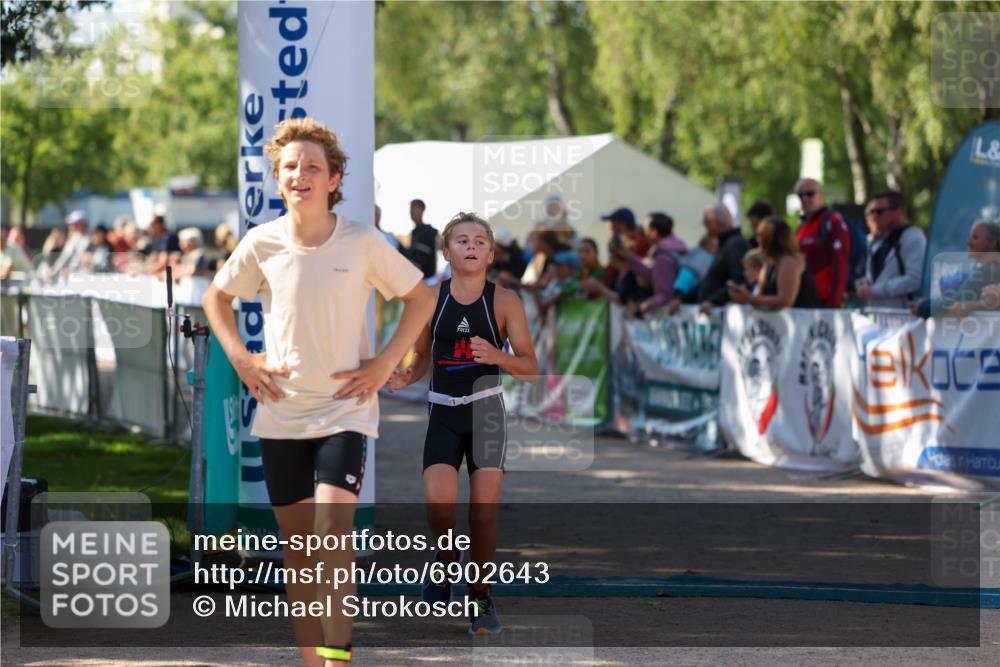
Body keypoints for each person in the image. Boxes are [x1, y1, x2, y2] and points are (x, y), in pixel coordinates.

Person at [202, 117, 435, 667]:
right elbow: (216, 300)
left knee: (333, 538)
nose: (299, 175)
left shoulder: (362, 241)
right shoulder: (261, 243)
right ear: (277, 180)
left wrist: (383, 364)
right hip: (280, 411)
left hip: (345, 410)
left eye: (312, 167)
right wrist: (241, 358)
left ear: (333, 179)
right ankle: (312, 662)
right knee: (299, 551)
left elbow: (420, 299)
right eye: (290, 167)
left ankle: (338, 660)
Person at [386, 211, 538, 636]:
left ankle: (481, 597)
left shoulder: (506, 301)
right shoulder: (430, 298)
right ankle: (445, 562)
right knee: (439, 504)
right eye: (461, 240)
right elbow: (419, 359)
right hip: (443, 410)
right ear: (447, 251)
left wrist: (499, 357)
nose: (471, 247)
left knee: (483, 514)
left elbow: (530, 366)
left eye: (479, 241)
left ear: (491, 254)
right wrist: (403, 375)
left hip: (487, 411)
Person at [729, 216, 820, 309]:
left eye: (761, 236)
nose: (758, 240)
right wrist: (744, 295)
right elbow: (760, 293)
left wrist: (750, 299)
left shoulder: (789, 261)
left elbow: (785, 300)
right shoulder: (769, 263)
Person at [856, 190, 926, 309]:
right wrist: (864, 283)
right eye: (871, 212)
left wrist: (875, 290)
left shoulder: (913, 238)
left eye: (879, 211)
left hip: (904, 318)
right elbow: (880, 277)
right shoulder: (877, 242)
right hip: (879, 317)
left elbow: (915, 280)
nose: (874, 216)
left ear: (898, 212)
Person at [915, 220, 1000, 318]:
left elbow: (955, 302)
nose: (968, 242)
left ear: (992, 243)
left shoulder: (988, 270)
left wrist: (923, 307)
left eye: (975, 237)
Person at [794, 178, 851, 308]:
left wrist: (833, 303)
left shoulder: (833, 222)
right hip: (802, 299)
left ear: (821, 194)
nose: (805, 199)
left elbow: (841, 264)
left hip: (823, 300)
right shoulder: (802, 226)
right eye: (800, 195)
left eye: (810, 194)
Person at [689, 203, 749, 315]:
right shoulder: (726, 245)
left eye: (706, 223)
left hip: (723, 316)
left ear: (715, 222)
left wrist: (714, 302)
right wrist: (682, 299)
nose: (705, 227)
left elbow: (739, 280)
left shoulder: (734, 245)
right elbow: (711, 280)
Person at [626, 212, 688, 315]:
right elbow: (655, 275)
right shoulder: (675, 248)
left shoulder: (664, 256)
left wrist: (643, 307)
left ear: (654, 232)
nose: (644, 234)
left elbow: (665, 293)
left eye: (646, 230)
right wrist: (631, 258)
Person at [46, 210, 91, 278]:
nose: (72, 226)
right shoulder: (73, 240)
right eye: (72, 224)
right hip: (67, 277)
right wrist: (53, 271)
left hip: (80, 278)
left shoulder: (88, 240)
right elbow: (63, 258)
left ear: (82, 224)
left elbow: (78, 260)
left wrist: (69, 270)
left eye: (75, 223)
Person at [406, 198, 439, 279]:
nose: (411, 212)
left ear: (422, 210)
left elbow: (418, 262)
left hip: (427, 281)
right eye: (411, 209)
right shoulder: (415, 232)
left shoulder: (428, 232)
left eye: (414, 208)